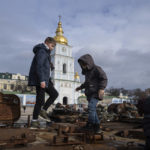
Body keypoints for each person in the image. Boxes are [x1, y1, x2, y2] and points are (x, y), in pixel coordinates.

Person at [28, 37, 59, 129]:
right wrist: (42, 80)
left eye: (54, 46)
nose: (52, 48)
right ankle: (34, 121)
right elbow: (39, 66)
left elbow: (44, 65)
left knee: (54, 94)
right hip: (40, 80)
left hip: (46, 79)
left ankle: (43, 110)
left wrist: (50, 66)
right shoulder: (42, 51)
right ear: (47, 42)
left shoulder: (46, 52)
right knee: (40, 101)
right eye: (52, 46)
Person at [76, 54, 107, 133]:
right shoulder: (87, 72)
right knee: (92, 109)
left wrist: (102, 88)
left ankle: (91, 125)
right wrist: (80, 87)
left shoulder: (97, 69)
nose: (82, 66)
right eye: (81, 65)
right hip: (90, 93)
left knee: (91, 108)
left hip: (96, 92)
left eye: (83, 64)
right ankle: (96, 127)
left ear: (88, 62)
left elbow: (104, 78)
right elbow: (87, 83)